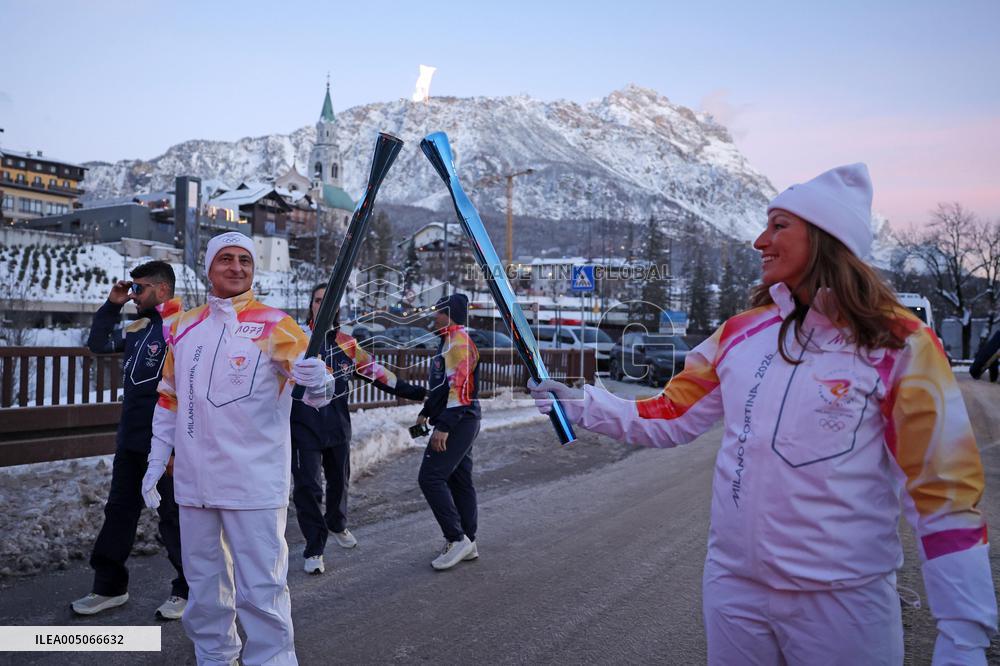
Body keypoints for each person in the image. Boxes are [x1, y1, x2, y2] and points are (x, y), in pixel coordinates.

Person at [530, 164, 997, 664]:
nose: (759, 241)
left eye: (778, 226)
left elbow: (942, 492)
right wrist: (583, 405)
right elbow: (672, 413)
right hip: (735, 591)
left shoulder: (898, 344)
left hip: (841, 602)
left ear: (824, 238)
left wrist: (963, 634)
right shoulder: (741, 333)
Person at [141, 232, 332, 666]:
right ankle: (215, 655)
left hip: (253, 480)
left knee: (261, 588)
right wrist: (156, 462)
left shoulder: (275, 323)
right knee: (204, 585)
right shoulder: (184, 327)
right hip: (194, 481)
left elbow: (316, 389)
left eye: (244, 260)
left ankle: (272, 660)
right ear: (209, 268)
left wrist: (317, 379)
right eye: (225, 259)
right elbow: (168, 398)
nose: (236, 267)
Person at [72, 260, 188, 620]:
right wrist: (112, 305)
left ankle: (188, 588)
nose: (133, 294)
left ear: (162, 289)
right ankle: (109, 587)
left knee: (173, 516)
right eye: (132, 288)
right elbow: (99, 345)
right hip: (131, 441)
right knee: (119, 512)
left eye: (139, 289)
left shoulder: (184, 327)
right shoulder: (139, 326)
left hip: (168, 444)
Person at [291, 283, 425, 574]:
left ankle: (337, 523)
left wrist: (414, 392)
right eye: (317, 301)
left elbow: (379, 375)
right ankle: (315, 548)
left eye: (328, 301)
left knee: (339, 482)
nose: (322, 306)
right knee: (308, 489)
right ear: (310, 305)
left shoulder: (347, 343)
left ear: (336, 308)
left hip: (337, 428)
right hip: (304, 429)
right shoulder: (294, 340)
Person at [413, 293, 482, 571]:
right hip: (459, 417)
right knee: (459, 478)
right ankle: (468, 540)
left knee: (430, 477)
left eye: (439, 311)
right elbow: (443, 387)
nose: (434, 316)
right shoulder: (448, 341)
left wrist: (443, 427)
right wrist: (427, 411)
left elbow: (460, 392)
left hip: (460, 418)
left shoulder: (458, 343)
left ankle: (456, 538)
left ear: (450, 314)